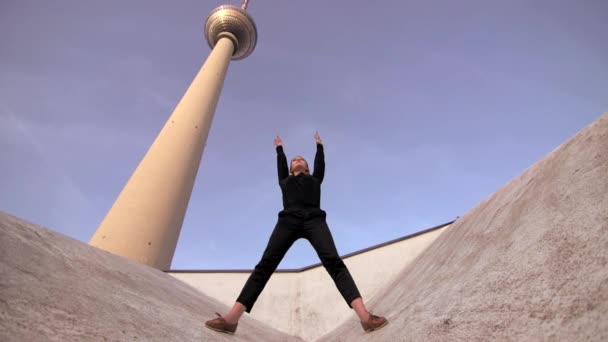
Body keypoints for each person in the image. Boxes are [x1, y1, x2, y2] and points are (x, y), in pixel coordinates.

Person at [204, 132, 388, 335]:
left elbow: (320, 165)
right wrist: (280, 149)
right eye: (294, 160)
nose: (298, 161)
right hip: (288, 221)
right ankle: (231, 320)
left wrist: (319, 147)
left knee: (334, 262)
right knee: (265, 265)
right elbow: (281, 164)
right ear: (290, 169)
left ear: (307, 167)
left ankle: (365, 317)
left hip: (314, 220)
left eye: (301, 159)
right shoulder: (284, 180)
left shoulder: (315, 179)